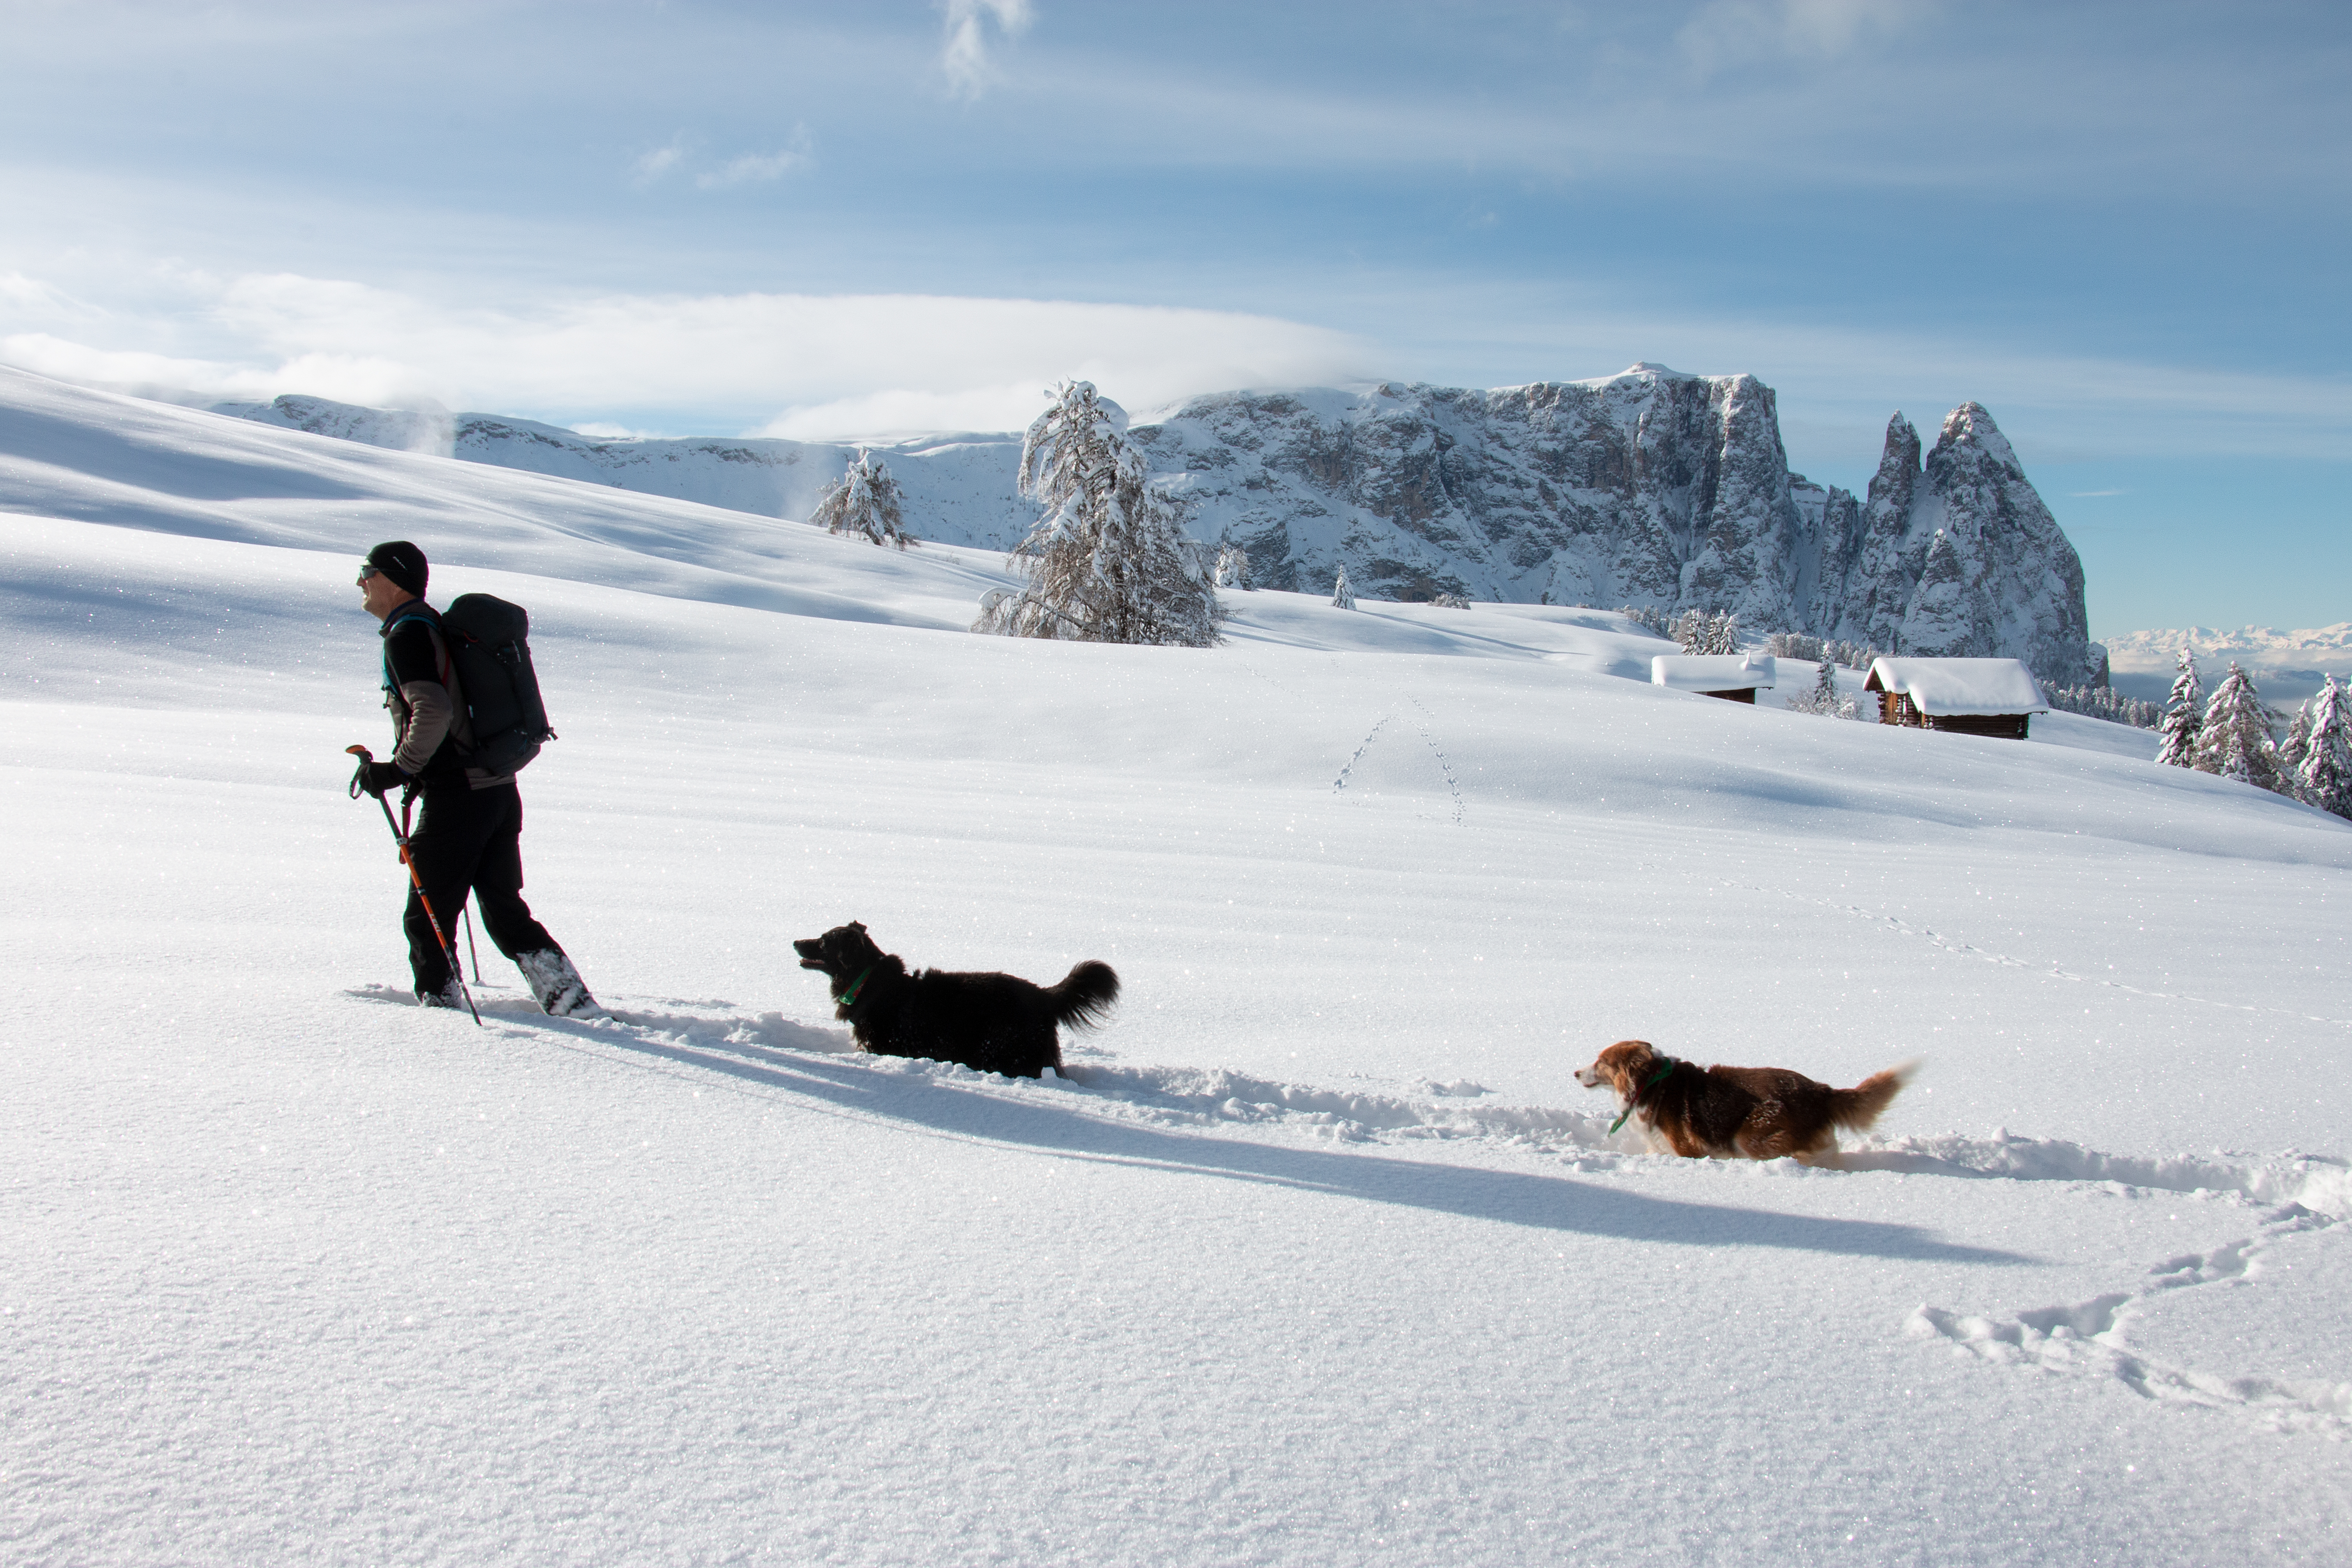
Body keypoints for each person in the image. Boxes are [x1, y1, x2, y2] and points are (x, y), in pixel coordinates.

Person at [353, 541, 600, 1016]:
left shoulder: (407, 635)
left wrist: (398, 768)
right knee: (505, 909)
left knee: (426, 919)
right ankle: (571, 1002)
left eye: (368, 572)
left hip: (458, 797)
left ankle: (442, 1014)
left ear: (393, 578)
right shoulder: (437, 630)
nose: (361, 582)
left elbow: (433, 709)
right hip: (497, 789)